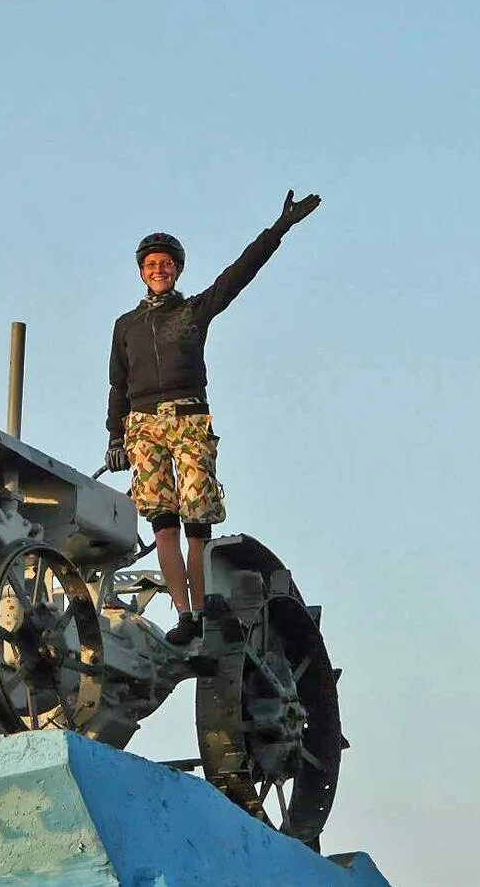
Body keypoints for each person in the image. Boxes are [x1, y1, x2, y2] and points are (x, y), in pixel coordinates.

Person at [105, 190, 321, 645]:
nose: (158, 271)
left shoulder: (193, 310)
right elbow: (117, 386)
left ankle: (201, 608)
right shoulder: (126, 325)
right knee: (161, 520)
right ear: (142, 273)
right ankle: (184, 613)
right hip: (142, 425)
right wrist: (114, 438)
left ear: (176, 269)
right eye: (151, 266)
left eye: (165, 264)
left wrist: (278, 229)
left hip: (189, 419)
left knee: (197, 520)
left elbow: (238, 275)